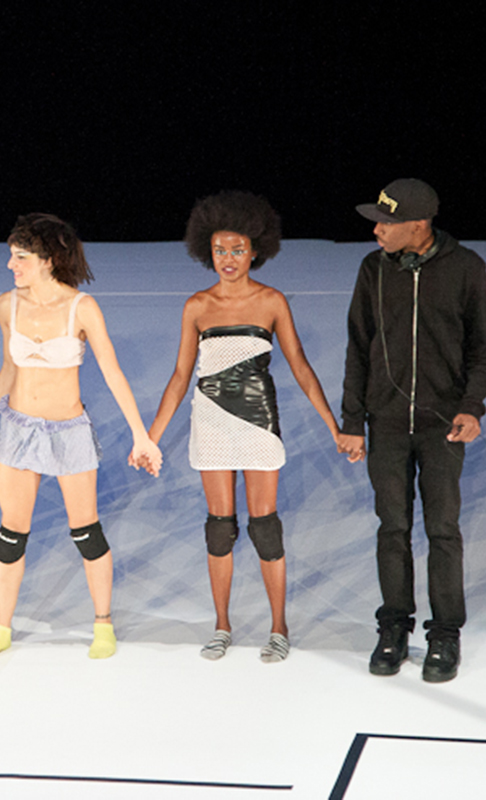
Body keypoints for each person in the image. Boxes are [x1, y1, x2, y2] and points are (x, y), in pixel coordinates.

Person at [145, 191, 344, 663]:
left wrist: (334, 428)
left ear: (255, 250)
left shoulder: (272, 301)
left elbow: (300, 366)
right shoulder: (197, 305)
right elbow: (180, 376)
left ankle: (278, 627)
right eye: (220, 250)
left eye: (237, 249)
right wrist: (150, 439)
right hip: (211, 422)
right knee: (219, 529)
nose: (228, 259)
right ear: (207, 251)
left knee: (265, 528)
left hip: (258, 422)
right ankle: (222, 626)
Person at [0, 213, 162, 662]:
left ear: (48, 260)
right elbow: (9, 368)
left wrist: (141, 436)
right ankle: (2, 628)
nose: (11, 265)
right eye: (11, 256)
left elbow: (113, 373)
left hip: (69, 432)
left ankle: (103, 624)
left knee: (86, 532)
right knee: (11, 534)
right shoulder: (6, 305)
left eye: (20, 257)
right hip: (19, 430)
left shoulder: (82, 308)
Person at [340, 179, 486, 683]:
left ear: (419, 224)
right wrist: (352, 421)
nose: (377, 230)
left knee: (443, 529)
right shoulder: (373, 269)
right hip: (385, 424)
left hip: (442, 426)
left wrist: (471, 407)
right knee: (393, 527)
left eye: (387, 222)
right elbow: (358, 347)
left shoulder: (466, 267)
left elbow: (481, 349)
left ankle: (445, 633)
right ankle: (393, 626)